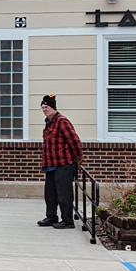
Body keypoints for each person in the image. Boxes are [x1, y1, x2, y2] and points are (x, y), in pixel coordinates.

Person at [37, 94, 82, 229]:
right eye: (43, 107)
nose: (45, 110)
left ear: (53, 107)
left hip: (64, 164)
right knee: (50, 194)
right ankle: (51, 216)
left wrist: (78, 159)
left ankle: (67, 220)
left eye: (47, 107)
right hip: (50, 164)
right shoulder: (48, 122)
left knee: (64, 194)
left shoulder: (62, 121)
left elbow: (75, 142)